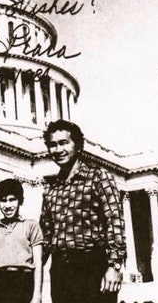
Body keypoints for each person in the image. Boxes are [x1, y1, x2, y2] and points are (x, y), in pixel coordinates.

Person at [39, 120, 126, 303]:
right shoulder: (50, 189)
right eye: (53, 145)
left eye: (64, 143)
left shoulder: (98, 177)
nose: (58, 150)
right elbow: (45, 237)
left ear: (78, 146)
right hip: (61, 270)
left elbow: (115, 222)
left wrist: (114, 266)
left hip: (93, 264)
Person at [0, 179, 43, 303]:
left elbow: (38, 263)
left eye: (12, 200)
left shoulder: (31, 226)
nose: (8, 205)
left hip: (23, 283)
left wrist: (37, 295)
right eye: (3, 200)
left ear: (20, 201)